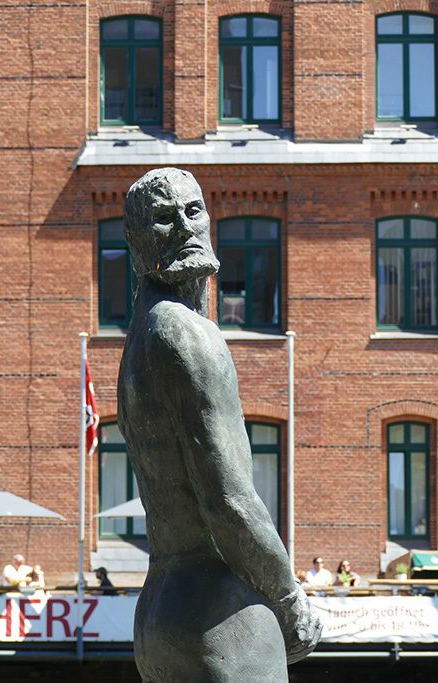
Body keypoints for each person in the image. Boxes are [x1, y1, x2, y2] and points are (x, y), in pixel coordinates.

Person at [118, 168, 320, 679]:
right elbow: (228, 499)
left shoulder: (138, 341)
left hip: (159, 611)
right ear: (135, 240)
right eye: (164, 219)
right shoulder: (189, 336)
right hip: (218, 608)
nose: (186, 227)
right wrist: (288, 596)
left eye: (193, 211)